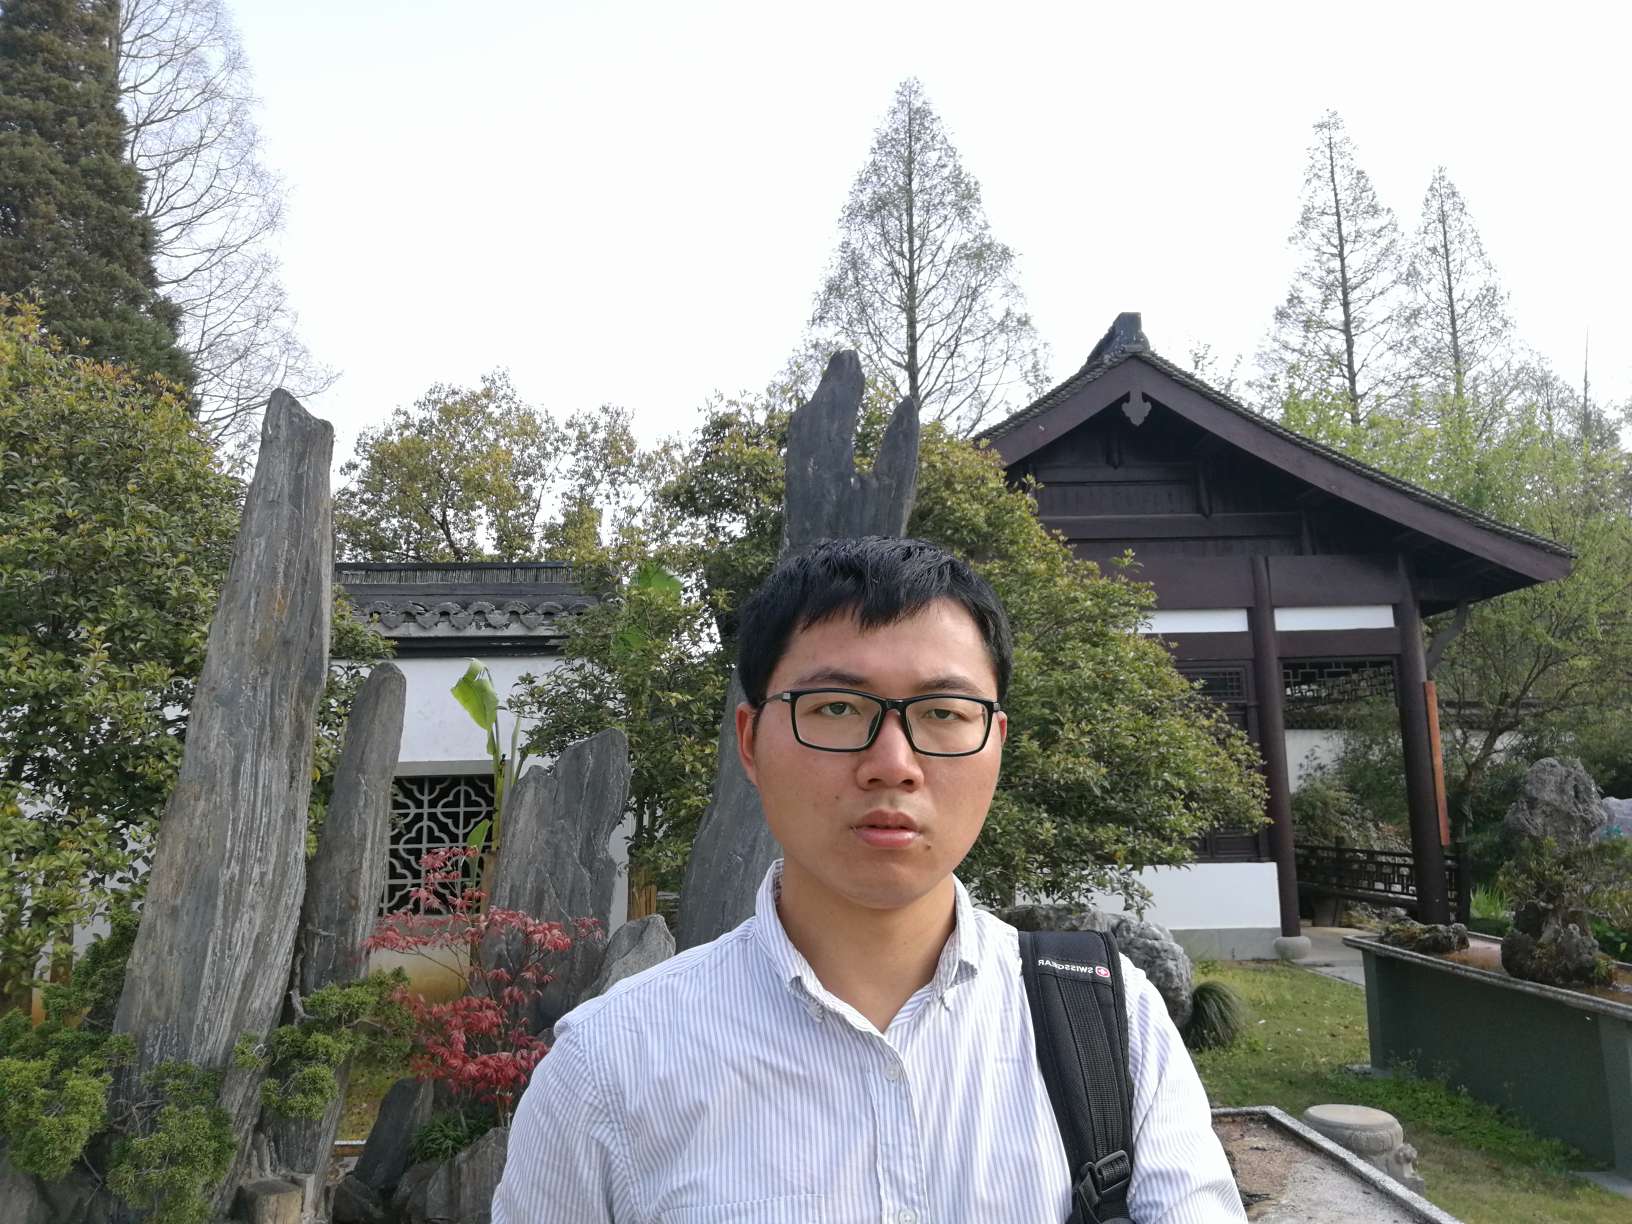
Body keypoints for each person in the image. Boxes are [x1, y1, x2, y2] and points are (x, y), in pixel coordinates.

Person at [494, 536, 1246, 1223]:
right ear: (751, 743)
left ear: (995, 743)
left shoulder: (1114, 1024)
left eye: (944, 711)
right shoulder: (608, 1067)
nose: (893, 763)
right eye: (836, 707)